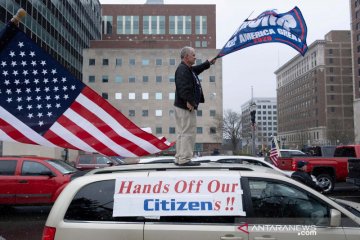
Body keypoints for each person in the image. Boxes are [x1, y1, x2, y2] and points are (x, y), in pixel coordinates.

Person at [173, 46, 216, 166]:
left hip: (182, 106)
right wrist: (190, 101)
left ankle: (180, 158)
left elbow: (197, 69)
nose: (195, 57)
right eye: (193, 55)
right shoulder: (183, 70)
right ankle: (185, 159)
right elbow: (183, 88)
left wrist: (208, 63)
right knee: (188, 133)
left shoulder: (187, 69)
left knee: (182, 132)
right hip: (185, 107)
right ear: (186, 57)